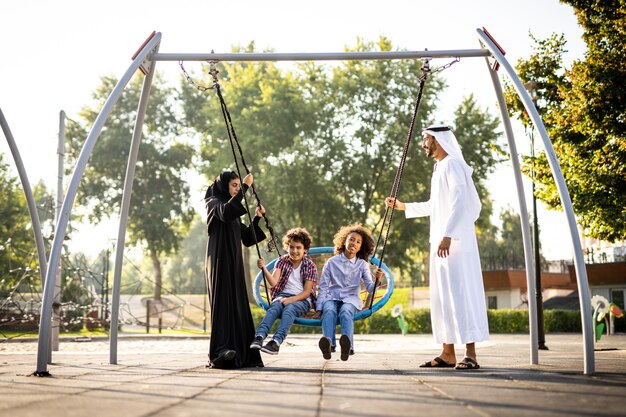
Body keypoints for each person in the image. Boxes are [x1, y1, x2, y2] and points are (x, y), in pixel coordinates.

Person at [385, 124, 489, 370]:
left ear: (438, 140)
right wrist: (403, 207)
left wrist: (448, 234)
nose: (423, 144)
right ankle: (447, 353)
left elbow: (460, 199)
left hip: (454, 243)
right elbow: (436, 205)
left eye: (426, 139)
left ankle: (471, 354)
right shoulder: (440, 167)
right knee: (443, 297)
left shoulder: (452, 163)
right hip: (442, 243)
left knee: (460, 294)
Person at [204, 170, 267, 369]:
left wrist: (256, 219)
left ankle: (244, 353)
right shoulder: (214, 203)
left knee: (238, 304)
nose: (237, 189)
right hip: (219, 262)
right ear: (224, 185)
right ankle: (222, 351)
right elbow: (225, 212)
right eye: (234, 185)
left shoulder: (233, 212)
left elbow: (248, 239)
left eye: (239, 185)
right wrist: (246, 188)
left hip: (235, 264)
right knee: (223, 303)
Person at [316, 224, 384, 361]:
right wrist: (319, 307)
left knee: (346, 311)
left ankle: (348, 347)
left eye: (358, 242)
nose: (354, 243)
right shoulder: (332, 262)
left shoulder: (362, 264)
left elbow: (370, 288)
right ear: (344, 241)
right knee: (328, 310)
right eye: (351, 239)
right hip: (332, 296)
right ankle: (329, 345)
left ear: (360, 247)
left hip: (351, 299)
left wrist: (377, 280)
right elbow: (323, 287)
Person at [250, 228, 318, 355]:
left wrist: (290, 300)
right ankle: (259, 336)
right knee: (274, 307)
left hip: (303, 300)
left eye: (298, 248)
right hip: (282, 296)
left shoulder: (310, 265)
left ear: (305, 250)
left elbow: (307, 292)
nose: (295, 251)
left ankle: (276, 342)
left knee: (290, 309)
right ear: (287, 247)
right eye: (291, 247)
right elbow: (273, 282)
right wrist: (264, 268)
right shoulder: (282, 261)